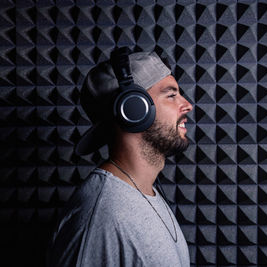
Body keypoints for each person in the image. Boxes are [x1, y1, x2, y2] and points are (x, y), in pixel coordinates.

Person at [46, 47, 193, 267]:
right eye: (171, 95)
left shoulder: (144, 193)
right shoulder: (103, 218)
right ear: (134, 109)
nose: (188, 105)